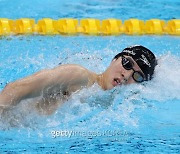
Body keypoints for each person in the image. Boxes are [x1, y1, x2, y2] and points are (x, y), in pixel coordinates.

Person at [0, 45, 157, 115]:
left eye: (137, 76)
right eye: (127, 63)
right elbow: (15, 89)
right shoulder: (79, 76)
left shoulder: (112, 105)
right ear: (114, 59)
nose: (127, 75)